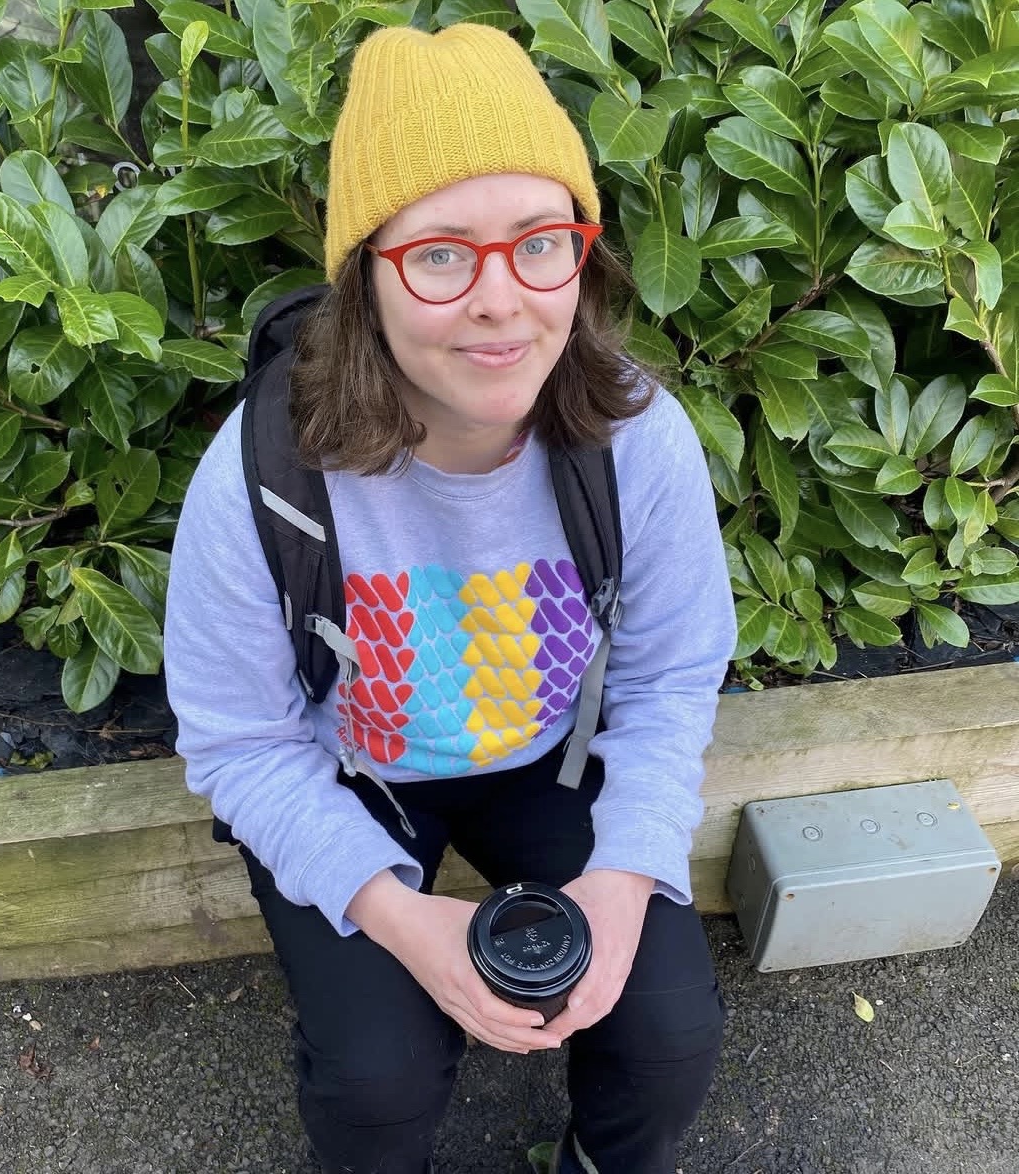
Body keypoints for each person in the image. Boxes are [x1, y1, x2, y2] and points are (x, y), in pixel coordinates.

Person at [164, 22, 736, 1174]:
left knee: (670, 1034)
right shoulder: (262, 474)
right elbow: (240, 742)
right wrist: (400, 919)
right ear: (366, 273)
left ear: (584, 252)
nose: (500, 301)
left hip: (547, 759)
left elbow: (672, 678)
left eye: (540, 242)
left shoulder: (637, 438)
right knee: (376, 1085)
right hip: (357, 772)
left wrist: (623, 878)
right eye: (438, 254)